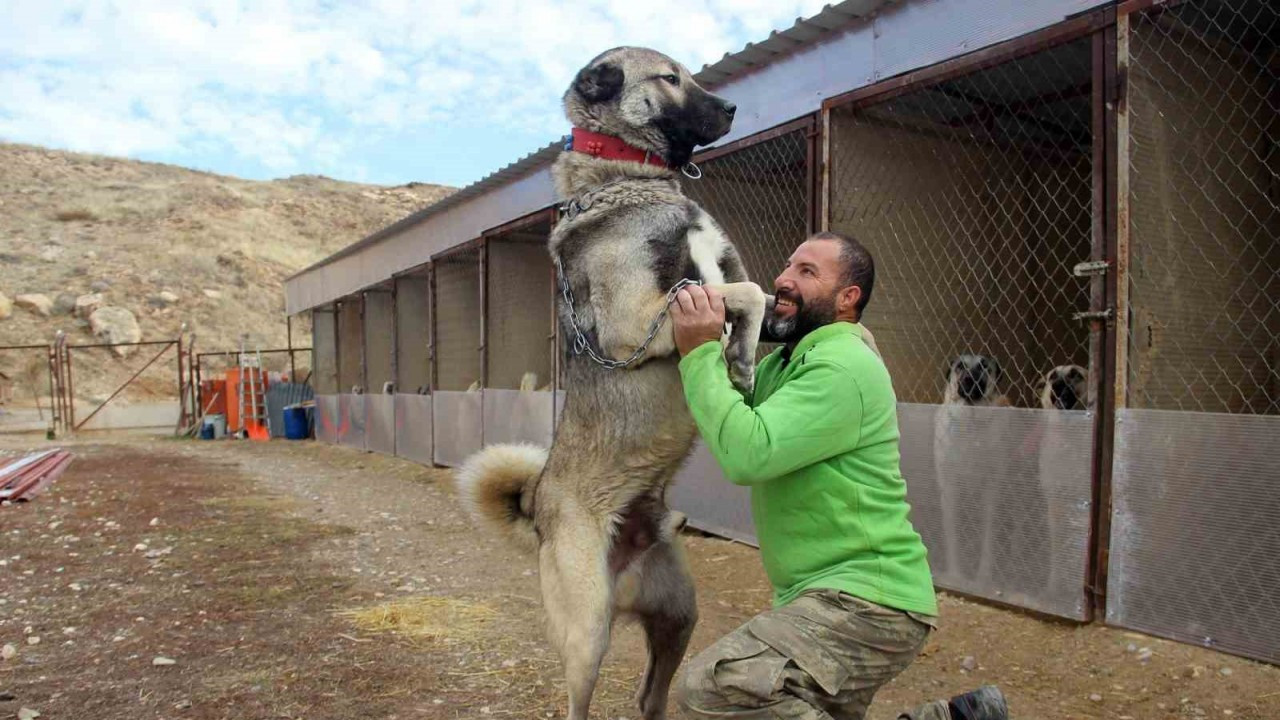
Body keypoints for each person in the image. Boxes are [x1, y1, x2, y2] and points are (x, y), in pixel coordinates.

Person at [668, 231, 1008, 720]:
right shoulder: (790, 364)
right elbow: (734, 420)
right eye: (787, 267)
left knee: (719, 685)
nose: (783, 279)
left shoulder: (841, 366)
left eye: (807, 272)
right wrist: (718, 343)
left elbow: (747, 453)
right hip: (822, 596)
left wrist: (698, 354)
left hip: (865, 601)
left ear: (848, 298)